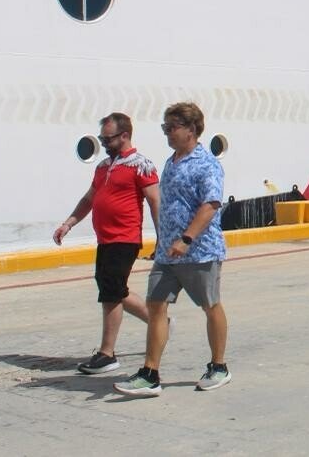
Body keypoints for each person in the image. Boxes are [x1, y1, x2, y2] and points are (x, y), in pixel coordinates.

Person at [115, 102, 230, 397]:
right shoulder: (172, 161)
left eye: (172, 128)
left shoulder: (207, 163)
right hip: (168, 253)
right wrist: (164, 242)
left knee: (210, 305)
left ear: (191, 129)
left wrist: (187, 239)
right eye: (164, 128)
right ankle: (150, 373)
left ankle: (219, 366)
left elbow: (211, 204)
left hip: (199, 251)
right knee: (155, 306)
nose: (167, 133)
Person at [54, 113, 160, 375]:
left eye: (108, 138)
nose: (103, 142)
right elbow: (89, 199)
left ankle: (107, 353)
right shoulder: (103, 166)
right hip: (105, 238)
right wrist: (69, 223)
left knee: (111, 291)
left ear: (125, 135)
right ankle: (159, 322)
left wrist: (163, 237)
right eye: (101, 137)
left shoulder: (141, 165)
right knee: (112, 288)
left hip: (125, 238)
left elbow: (155, 202)